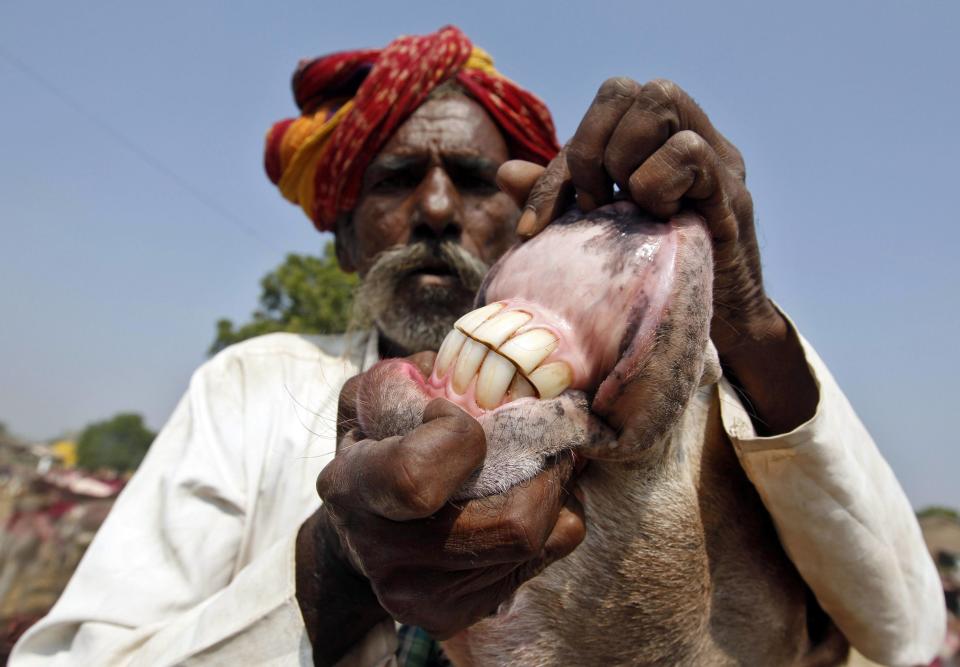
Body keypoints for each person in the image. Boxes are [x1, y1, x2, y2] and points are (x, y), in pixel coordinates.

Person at [11, 25, 944, 666]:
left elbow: (901, 628)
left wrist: (742, 318)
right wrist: (339, 574)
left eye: (469, 175)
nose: (435, 209)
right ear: (339, 230)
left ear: (527, 206)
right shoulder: (253, 388)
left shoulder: (680, 375)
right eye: (396, 177)